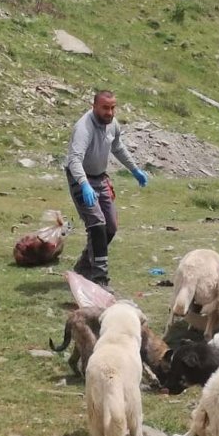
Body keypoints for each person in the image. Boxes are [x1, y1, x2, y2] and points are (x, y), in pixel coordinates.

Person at [64, 90, 148, 291]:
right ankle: (100, 278)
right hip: (80, 178)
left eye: (112, 108)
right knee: (97, 224)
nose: (109, 112)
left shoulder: (113, 124)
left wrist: (134, 169)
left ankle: (84, 266)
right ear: (94, 106)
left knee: (110, 227)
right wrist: (83, 184)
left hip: (100, 178)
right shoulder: (84, 128)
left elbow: (117, 147)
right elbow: (75, 159)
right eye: (105, 108)